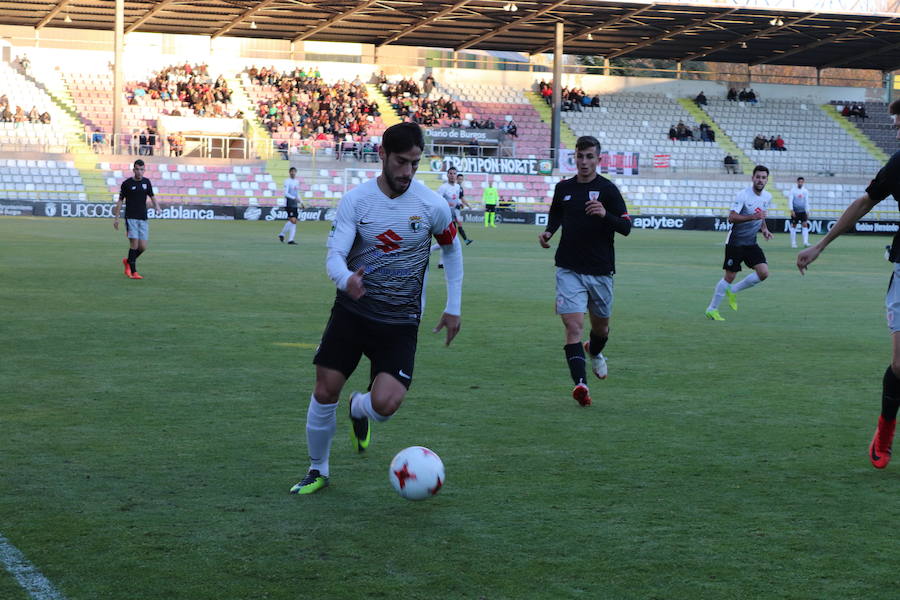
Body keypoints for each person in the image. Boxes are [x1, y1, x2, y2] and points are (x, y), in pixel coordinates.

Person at [290, 122, 463, 495]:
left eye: (415, 164)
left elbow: (452, 250)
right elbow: (335, 256)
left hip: (400, 321)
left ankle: (360, 408)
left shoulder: (432, 205)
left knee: (385, 406)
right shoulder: (357, 200)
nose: (407, 172)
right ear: (382, 155)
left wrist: (453, 306)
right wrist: (346, 280)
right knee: (324, 390)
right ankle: (317, 469)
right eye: (401, 162)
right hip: (353, 313)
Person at [797, 99, 900, 469]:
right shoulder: (897, 164)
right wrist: (821, 245)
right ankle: (885, 431)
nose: (898, 130)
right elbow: (864, 204)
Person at [539, 136, 632, 407]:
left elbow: (626, 227)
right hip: (568, 268)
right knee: (573, 327)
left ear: (598, 159)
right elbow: (556, 214)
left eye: (589, 156)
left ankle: (596, 352)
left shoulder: (608, 190)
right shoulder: (563, 188)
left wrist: (605, 214)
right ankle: (581, 385)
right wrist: (549, 231)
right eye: (580, 156)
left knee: (600, 329)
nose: (584, 162)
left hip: (601, 270)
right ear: (574, 158)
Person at [704, 165, 773, 321]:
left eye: (763, 177)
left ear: (767, 180)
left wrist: (764, 229)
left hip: (751, 242)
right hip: (735, 241)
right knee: (730, 275)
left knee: (763, 273)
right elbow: (732, 217)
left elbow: (761, 216)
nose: (760, 180)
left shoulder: (767, 197)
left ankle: (733, 291)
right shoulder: (743, 195)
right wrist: (753, 217)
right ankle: (712, 309)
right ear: (752, 178)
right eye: (758, 177)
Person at [113, 159, 159, 280]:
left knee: (142, 247)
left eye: (141, 169)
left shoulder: (147, 182)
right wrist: (116, 218)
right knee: (134, 244)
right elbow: (120, 201)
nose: (139, 172)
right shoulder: (126, 184)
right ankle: (134, 272)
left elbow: (152, 196)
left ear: (144, 170)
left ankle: (128, 261)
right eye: (137, 169)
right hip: (131, 218)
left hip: (143, 218)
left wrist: (157, 207)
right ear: (133, 170)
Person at [437, 166, 472, 247]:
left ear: (456, 175)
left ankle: (432, 249)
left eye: (454, 173)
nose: (452, 175)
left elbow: (456, 198)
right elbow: (438, 201)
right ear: (447, 175)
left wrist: (459, 203)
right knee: (450, 239)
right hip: (445, 215)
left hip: (453, 215)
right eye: (450, 173)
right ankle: (432, 249)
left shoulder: (457, 187)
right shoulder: (443, 187)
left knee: (451, 239)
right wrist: (447, 204)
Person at [278, 167, 301, 245]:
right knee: (293, 221)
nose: (293, 173)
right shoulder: (287, 181)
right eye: (291, 171)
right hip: (289, 203)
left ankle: (283, 235)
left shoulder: (297, 182)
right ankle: (290, 239)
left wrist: (301, 202)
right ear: (289, 172)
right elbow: (285, 193)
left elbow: (297, 193)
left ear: (296, 172)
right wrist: (294, 198)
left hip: (295, 204)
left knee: (293, 222)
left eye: (294, 171)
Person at [788, 176, 811, 248]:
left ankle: (805, 242)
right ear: (797, 182)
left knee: (805, 225)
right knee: (793, 226)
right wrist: (791, 210)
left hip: (803, 211)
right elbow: (790, 201)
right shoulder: (793, 190)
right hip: (795, 211)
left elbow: (806, 201)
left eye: (802, 182)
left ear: (803, 182)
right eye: (799, 182)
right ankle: (793, 243)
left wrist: (807, 211)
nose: (800, 183)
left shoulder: (805, 191)